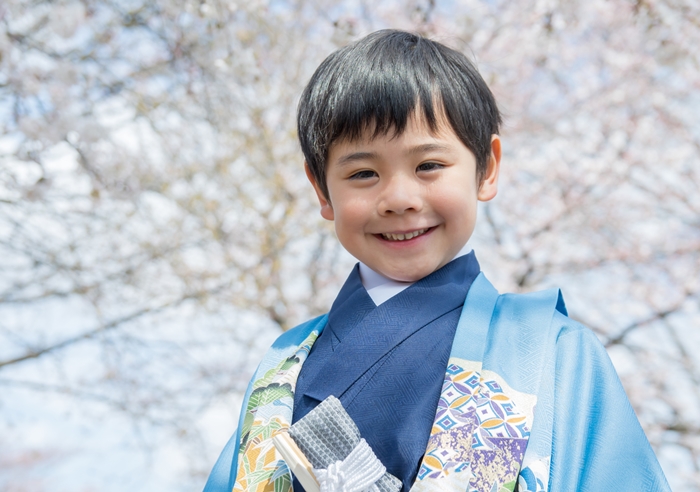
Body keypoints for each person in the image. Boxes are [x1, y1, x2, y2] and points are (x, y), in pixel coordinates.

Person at [204, 30, 671, 492]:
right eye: (363, 173)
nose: (400, 199)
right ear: (321, 189)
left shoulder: (550, 349)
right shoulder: (283, 365)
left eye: (428, 165)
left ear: (487, 168)